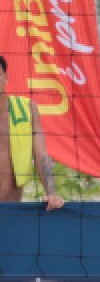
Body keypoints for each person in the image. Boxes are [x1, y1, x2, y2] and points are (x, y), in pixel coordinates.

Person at [0, 55, 63, 209]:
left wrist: (51, 192)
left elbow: (41, 155)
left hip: (11, 211)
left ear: (5, 77)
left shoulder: (27, 109)